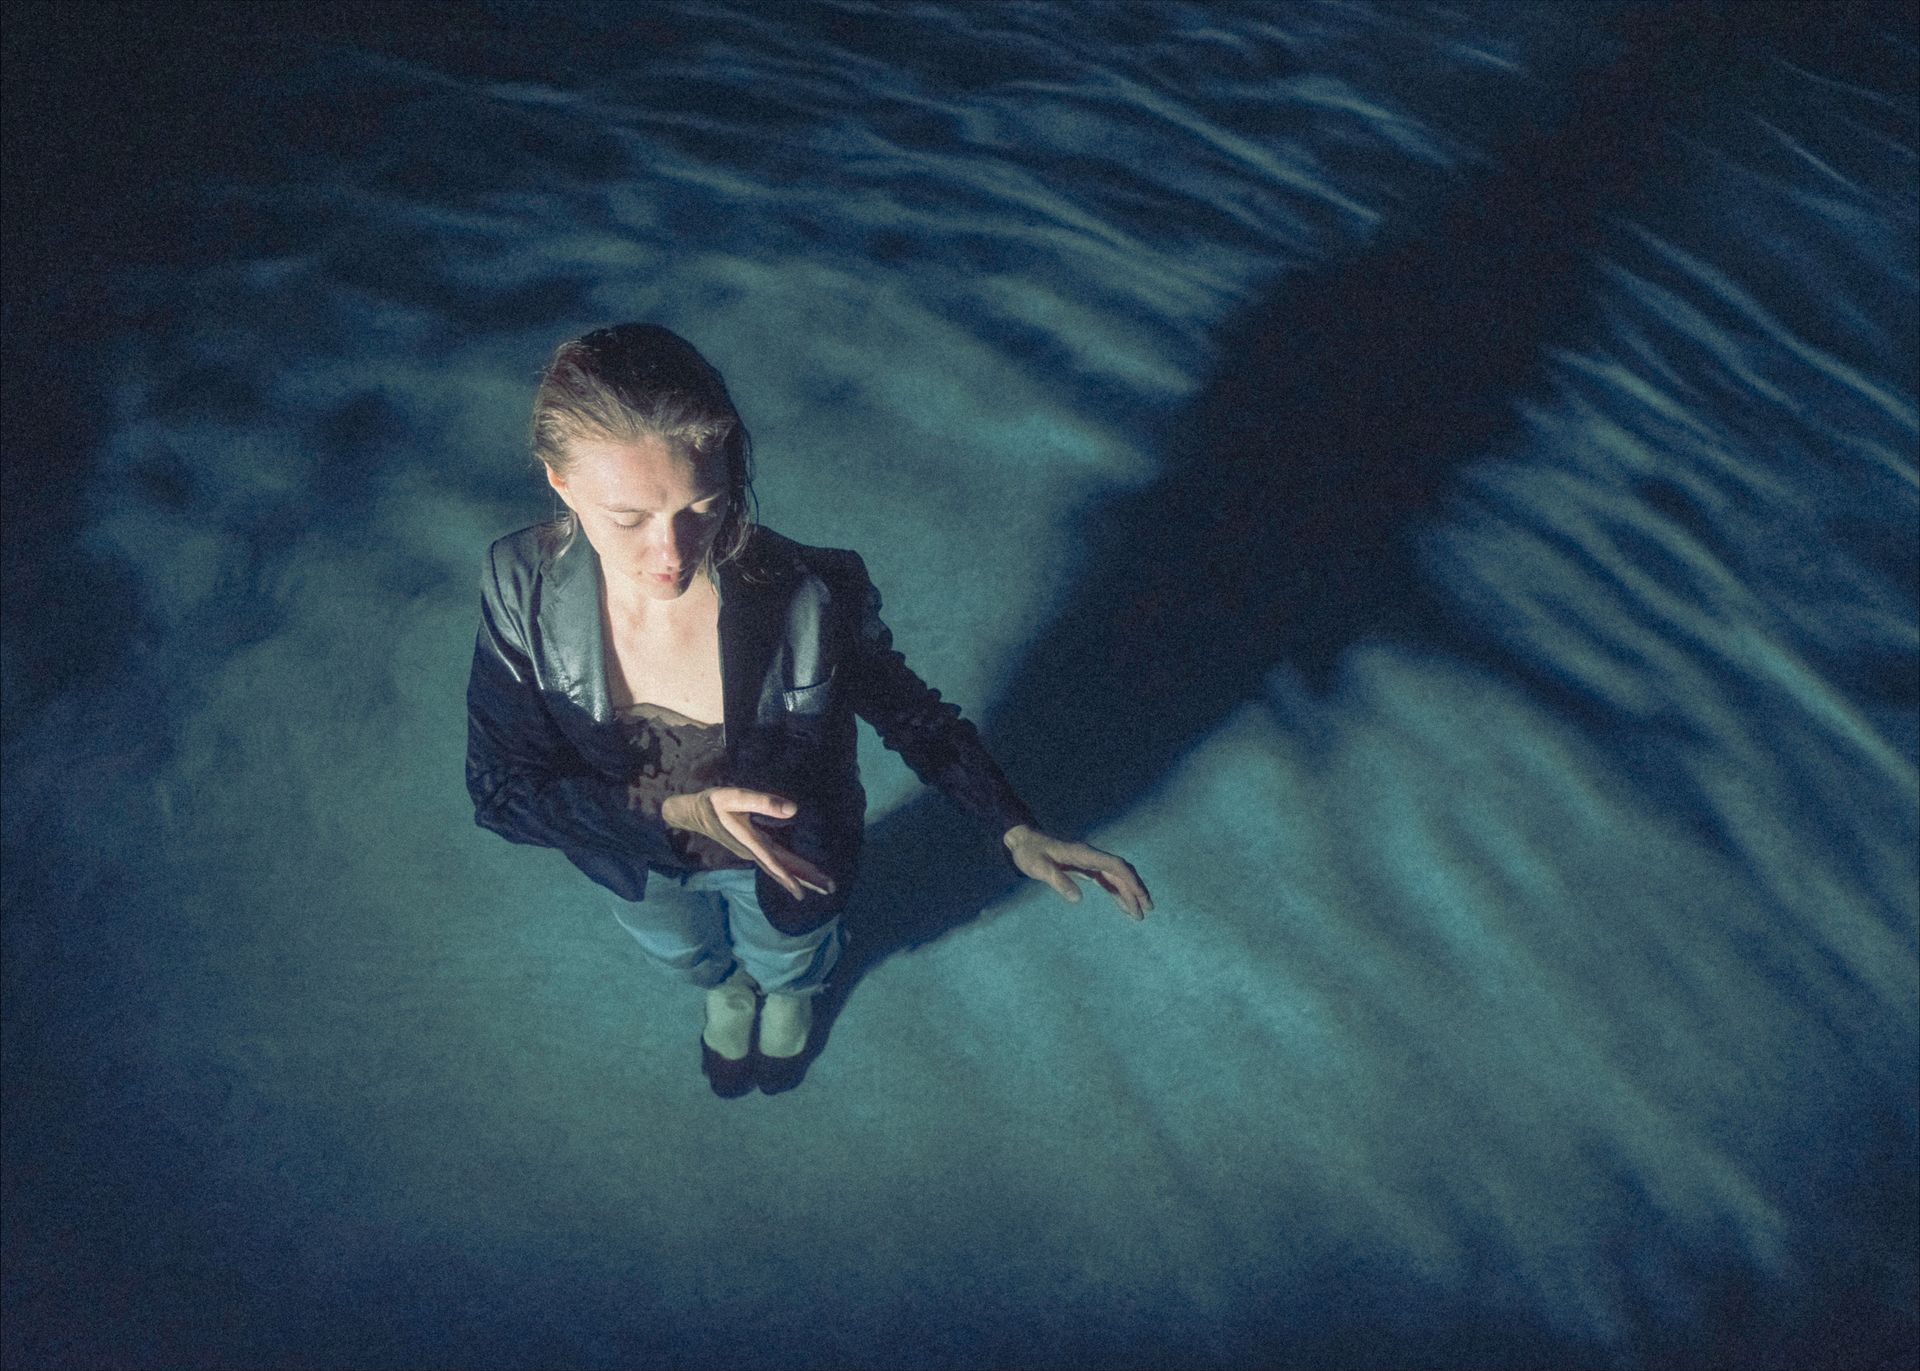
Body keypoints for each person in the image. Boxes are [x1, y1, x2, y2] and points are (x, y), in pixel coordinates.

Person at [465, 324, 1151, 1097]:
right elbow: (500, 792)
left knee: (793, 954)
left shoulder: (812, 590)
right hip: (637, 860)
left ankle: (789, 990)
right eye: (628, 518)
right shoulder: (518, 586)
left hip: (798, 858)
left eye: (705, 505)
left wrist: (1012, 823)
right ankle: (725, 990)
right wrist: (676, 814)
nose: (672, 551)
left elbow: (908, 712)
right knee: (684, 953)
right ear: (560, 483)